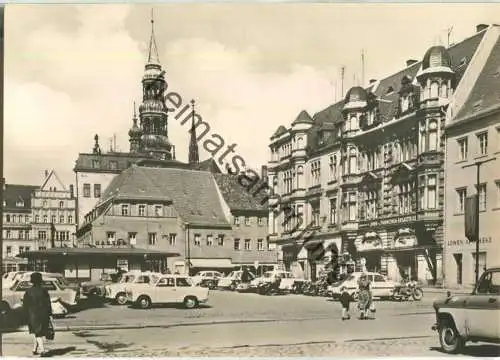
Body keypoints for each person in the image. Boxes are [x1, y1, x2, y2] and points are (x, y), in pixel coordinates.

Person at [23, 272, 53, 356]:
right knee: (38, 332)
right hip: (44, 314)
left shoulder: (28, 291)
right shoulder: (44, 290)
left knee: (37, 332)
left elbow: (25, 304)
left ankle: (42, 350)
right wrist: (50, 314)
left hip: (33, 314)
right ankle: (34, 349)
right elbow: (48, 303)